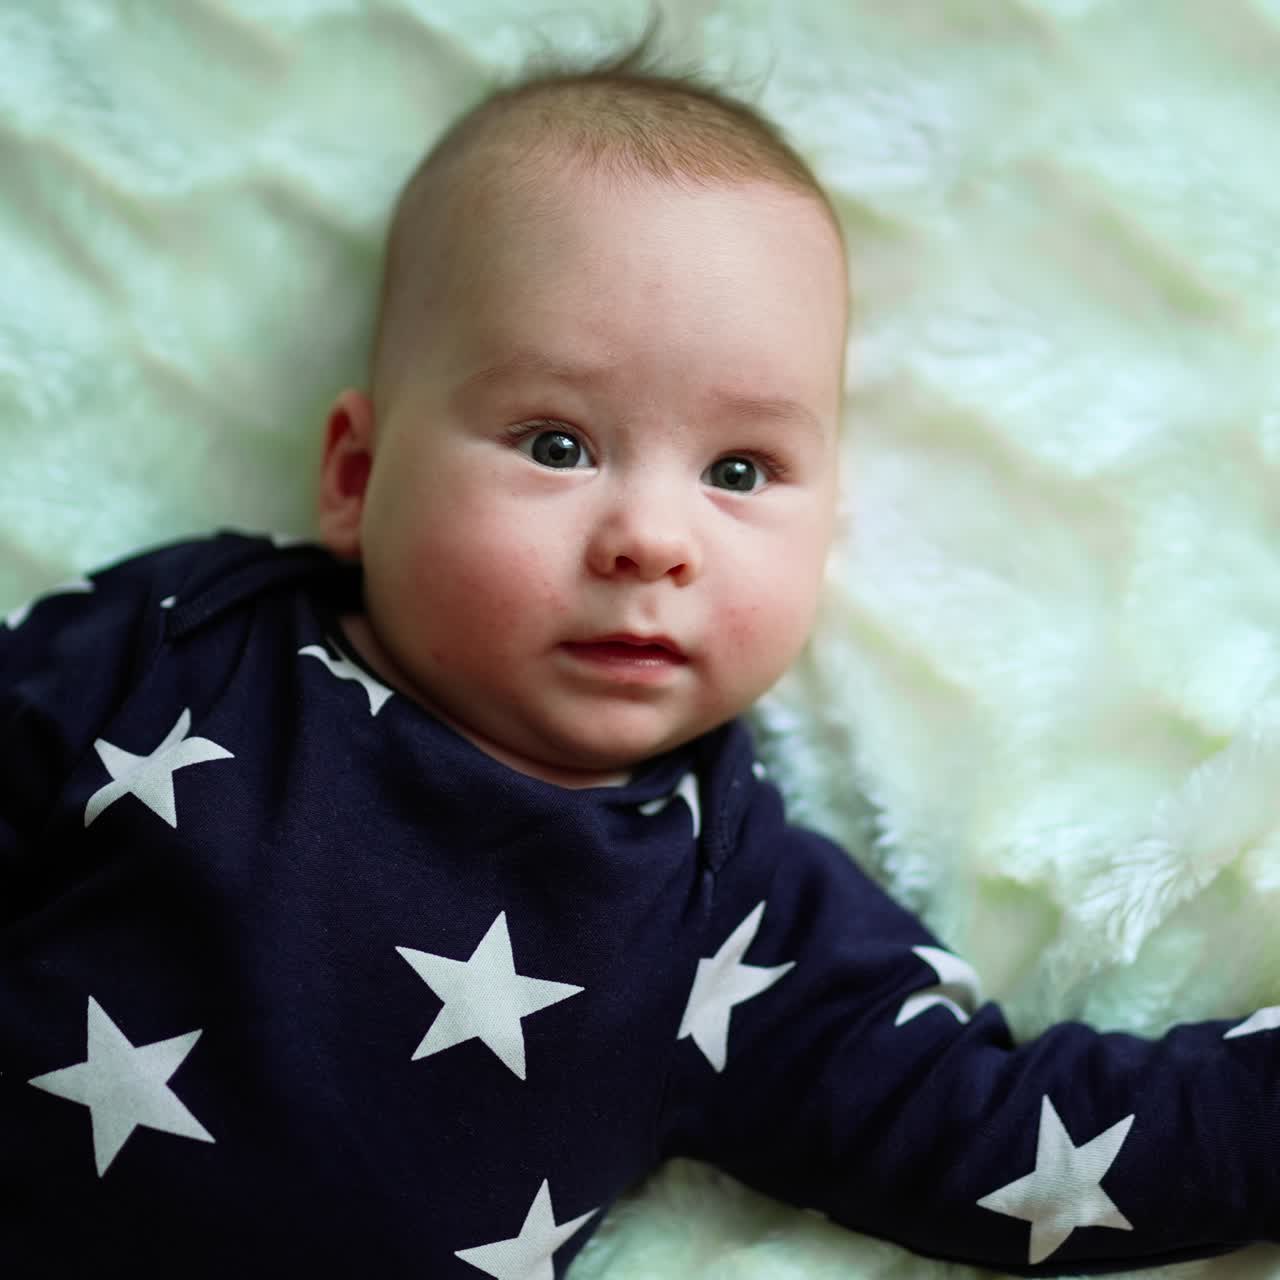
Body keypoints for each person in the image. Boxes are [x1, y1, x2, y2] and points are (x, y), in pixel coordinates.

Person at [2, 16, 1277, 1279]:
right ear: (357, 472)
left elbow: (999, 1139)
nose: (652, 538)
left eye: (738, 469)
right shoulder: (186, 642)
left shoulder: (724, 909)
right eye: (556, 443)